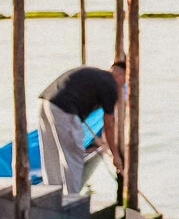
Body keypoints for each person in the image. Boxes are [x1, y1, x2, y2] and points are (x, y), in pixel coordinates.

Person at [36, 59, 126, 193]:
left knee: (51, 153)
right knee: (74, 154)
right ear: (121, 75)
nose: (124, 85)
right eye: (126, 80)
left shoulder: (95, 74)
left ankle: (51, 194)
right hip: (64, 109)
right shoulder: (111, 85)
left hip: (45, 103)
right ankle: (72, 198)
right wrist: (116, 156)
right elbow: (108, 126)